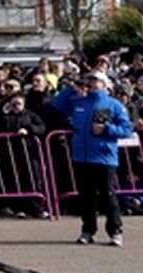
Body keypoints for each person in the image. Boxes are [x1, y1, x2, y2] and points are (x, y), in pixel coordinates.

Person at [51, 69, 134, 246]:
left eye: (95, 80)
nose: (91, 83)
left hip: (104, 158)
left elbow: (127, 130)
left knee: (107, 195)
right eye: (89, 80)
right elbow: (57, 104)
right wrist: (72, 88)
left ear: (104, 84)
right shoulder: (78, 102)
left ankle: (115, 231)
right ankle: (88, 230)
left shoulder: (114, 105)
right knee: (86, 196)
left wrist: (108, 129)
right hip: (82, 157)